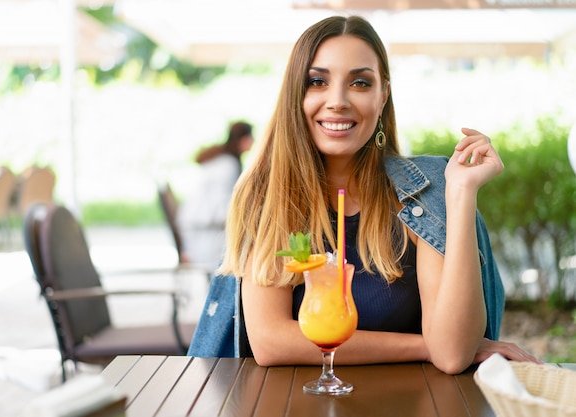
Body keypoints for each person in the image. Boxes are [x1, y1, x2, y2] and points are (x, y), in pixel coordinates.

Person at [188, 15, 540, 374]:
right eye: (317, 81)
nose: (337, 101)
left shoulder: (426, 192)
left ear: (382, 95)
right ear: (296, 94)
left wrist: (462, 193)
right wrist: (425, 346)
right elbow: (271, 341)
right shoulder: (267, 195)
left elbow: (451, 356)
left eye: (359, 82)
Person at [177, 121, 254, 266]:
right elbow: (221, 209)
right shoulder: (228, 165)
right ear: (244, 140)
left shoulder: (222, 159)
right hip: (204, 235)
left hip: (198, 228)